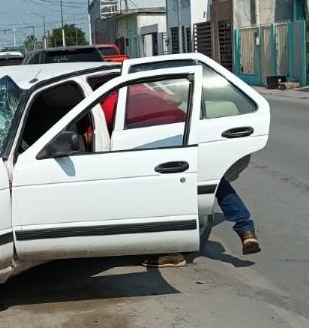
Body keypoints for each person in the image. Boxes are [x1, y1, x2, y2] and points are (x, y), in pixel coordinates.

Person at [98, 85, 260, 268]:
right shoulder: (141, 87)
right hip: (187, 134)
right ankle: (246, 229)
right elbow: (176, 100)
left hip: (161, 145)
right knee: (215, 184)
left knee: (163, 197)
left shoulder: (110, 101)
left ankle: (171, 252)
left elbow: (100, 132)